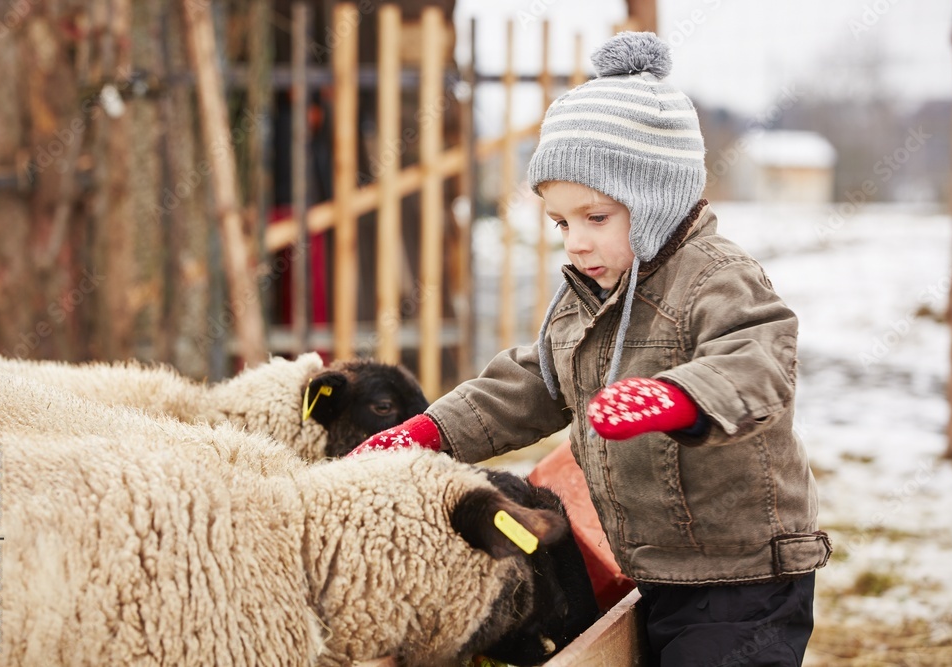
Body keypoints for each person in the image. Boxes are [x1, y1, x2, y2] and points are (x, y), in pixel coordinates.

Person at [351, 31, 831, 666]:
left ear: (656, 199)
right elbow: (531, 384)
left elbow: (759, 362)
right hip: (657, 568)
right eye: (561, 223)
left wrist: (674, 399)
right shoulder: (589, 297)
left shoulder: (715, 277)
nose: (574, 243)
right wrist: (432, 431)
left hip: (745, 572)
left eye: (595, 218)